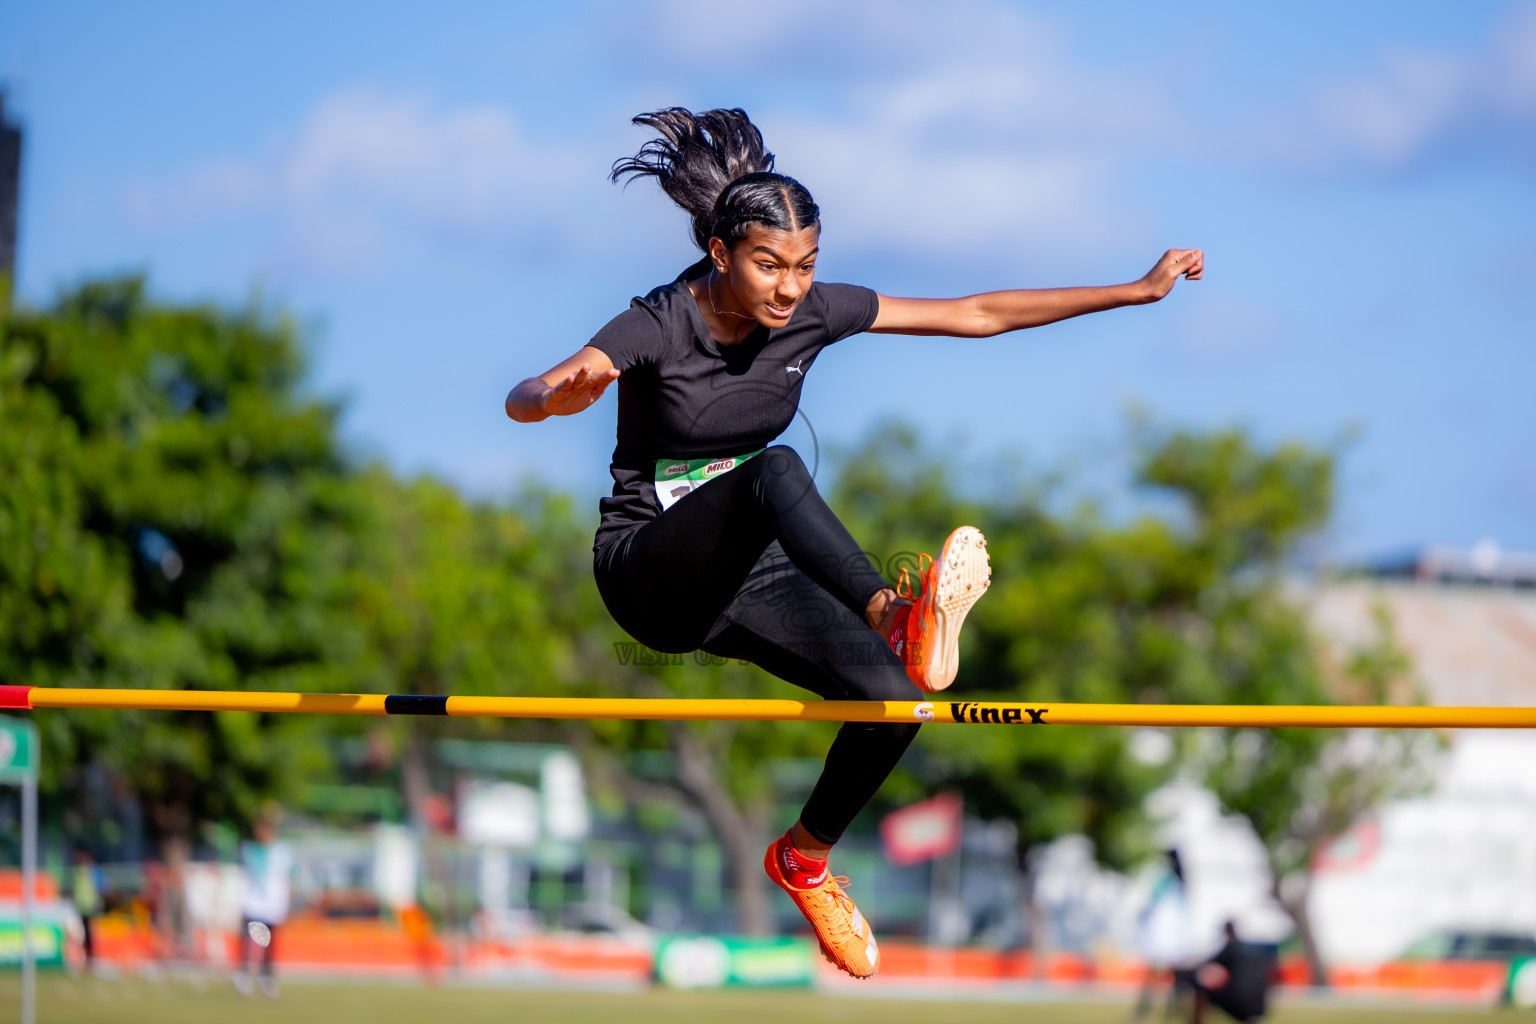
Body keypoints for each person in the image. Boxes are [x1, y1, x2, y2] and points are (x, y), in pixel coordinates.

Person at [505, 107, 1202, 979]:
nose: (790, 288)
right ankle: (892, 611)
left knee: (894, 700)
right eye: (769, 265)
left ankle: (804, 858)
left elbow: (977, 312)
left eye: (805, 266)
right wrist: (553, 396)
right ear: (720, 254)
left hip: (747, 576)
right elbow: (529, 393)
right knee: (774, 470)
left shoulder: (813, 313)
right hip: (649, 571)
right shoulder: (657, 321)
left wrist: (1133, 291)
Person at [234, 807, 294, 998]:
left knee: (269, 941)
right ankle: (244, 972)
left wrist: (287, 902)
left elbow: (289, 878)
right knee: (249, 938)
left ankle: (266, 976)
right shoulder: (249, 850)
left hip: (273, 904)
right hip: (253, 902)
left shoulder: (281, 852)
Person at [1135, 849, 1196, 1020]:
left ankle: (1149, 1010)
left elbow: (1153, 904)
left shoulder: (1168, 881)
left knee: (1160, 973)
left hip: (1166, 935)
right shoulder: (1179, 882)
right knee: (1174, 975)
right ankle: (1171, 1011)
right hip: (1173, 936)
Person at [1192, 921, 1276, 1023]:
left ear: (1226, 931)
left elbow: (1206, 965)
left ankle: (1196, 1021)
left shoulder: (1230, 949)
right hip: (1260, 1008)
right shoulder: (1252, 949)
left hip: (1240, 1004)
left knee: (1201, 986)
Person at [71, 849, 106, 970]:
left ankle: (91, 958)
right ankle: (86, 958)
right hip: (83, 908)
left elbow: (102, 888)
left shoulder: (93, 871)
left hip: (91, 908)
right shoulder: (81, 871)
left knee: (91, 934)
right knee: (84, 934)